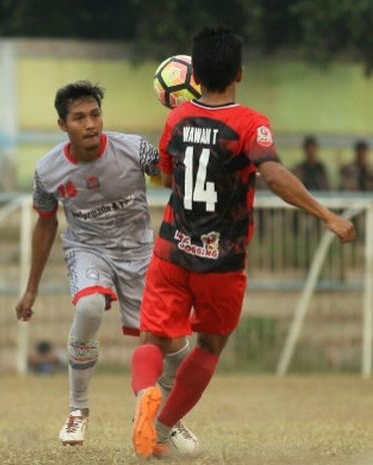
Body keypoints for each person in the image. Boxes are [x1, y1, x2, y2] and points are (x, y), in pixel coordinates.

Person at [129, 27, 356, 459]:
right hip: (222, 262)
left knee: (152, 340)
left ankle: (144, 395)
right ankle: (159, 428)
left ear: (193, 75)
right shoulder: (250, 123)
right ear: (240, 73)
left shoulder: (175, 119)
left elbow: (168, 176)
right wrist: (326, 215)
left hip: (172, 252)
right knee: (210, 346)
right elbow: (272, 174)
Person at [15, 81, 198, 450]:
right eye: (79, 118)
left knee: (178, 349)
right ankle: (78, 410)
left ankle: (163, 417)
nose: (91, 124)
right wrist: (31, 287)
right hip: (88, 250)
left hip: (141, 254)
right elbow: (46, 223)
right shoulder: (47, 171)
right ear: (62, 125)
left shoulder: (134, 148)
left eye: (95, 114)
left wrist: (184, 133)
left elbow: (170, 179)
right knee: (89, 306)